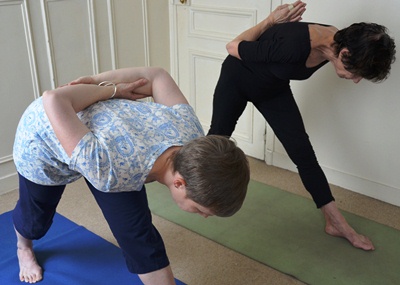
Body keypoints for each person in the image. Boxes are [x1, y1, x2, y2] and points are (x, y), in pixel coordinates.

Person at [12, 67, 250, 284]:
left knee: (136, 231)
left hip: (103, 140)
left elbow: (158, 78)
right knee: (36, 220)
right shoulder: (110, 169)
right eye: (200, 210)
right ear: (180, 183)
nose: (203, 217)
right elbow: (53, 99)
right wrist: (106, 88)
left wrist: (99, 83)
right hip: (43, 138)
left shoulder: (192, 138)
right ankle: (23, 247)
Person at [208, 0, 396, 251]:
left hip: (273, 88)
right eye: (356, 73)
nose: (357, 80)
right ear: (344, 54)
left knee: (303, 154)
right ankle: (188, 185)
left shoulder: (336, 38)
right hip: (238, 78)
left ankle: (335, 223)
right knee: (216, 142)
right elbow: (233, 46)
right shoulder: (294, 46)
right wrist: (270, 21)